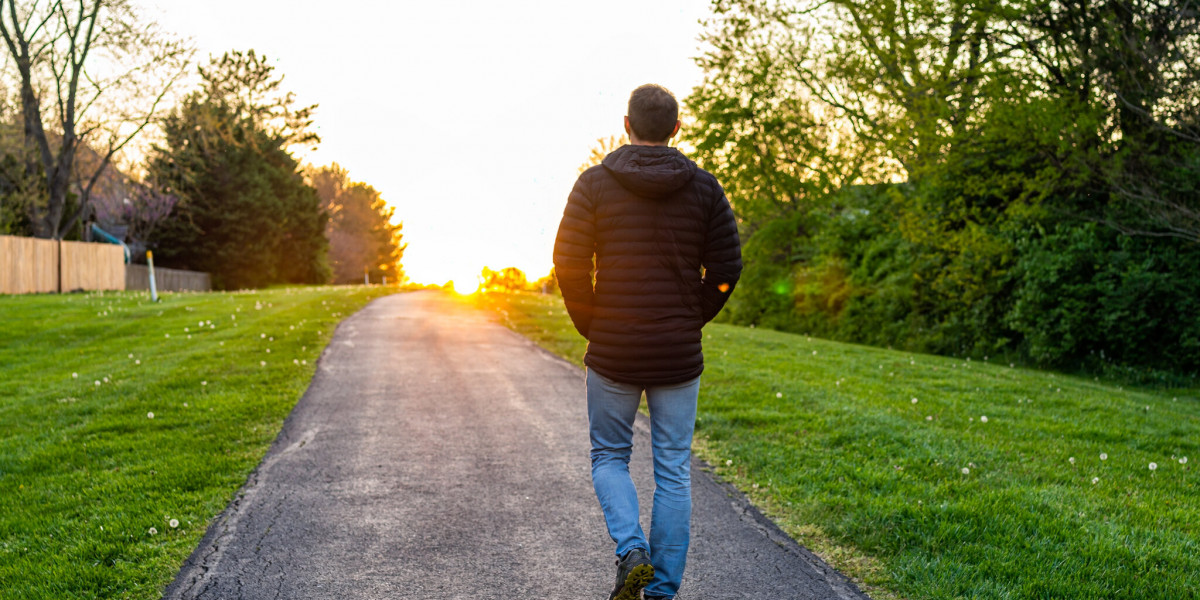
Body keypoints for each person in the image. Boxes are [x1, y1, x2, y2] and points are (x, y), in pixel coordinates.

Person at [553, 84, 742, 600]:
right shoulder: (705, 188)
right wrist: (691, 316)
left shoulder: (593, 184)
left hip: (613, 346)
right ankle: (660, 592)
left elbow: (568, 263)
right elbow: (726, 267)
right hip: (677, 352)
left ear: (626, 125)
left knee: (609, 457)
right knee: (673, 469)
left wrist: (591, 321)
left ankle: (630, 549)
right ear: (677, 128)